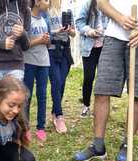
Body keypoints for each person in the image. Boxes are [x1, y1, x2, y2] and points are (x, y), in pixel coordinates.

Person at [73, 0, 138, 161]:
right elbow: (102, 3)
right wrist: (120, 18)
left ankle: (127, 145)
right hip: (114, 36)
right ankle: (98, 146)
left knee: (137, 94)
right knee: (102, 90)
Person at [46, 0, 76, 133]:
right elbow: (43, 32)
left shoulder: (68, 9)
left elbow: (74, 33)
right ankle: (59, 116)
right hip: (51, 50)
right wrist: (55, 31)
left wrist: (69, 31)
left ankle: (54, 111)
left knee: (62, 83)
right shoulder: (46, 8)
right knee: (56, 82)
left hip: (65, 50)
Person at [75, 0, 108, 118]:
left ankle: (102, 107)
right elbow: (79, 22)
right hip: (89, 47)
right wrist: (89, 31)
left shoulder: (110, 4)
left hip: (105, 47)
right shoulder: (88, 4)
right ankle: (86, 105)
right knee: (89, 77)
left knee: (103, 79)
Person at [24, 0, 51, 141]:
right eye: (46, 0)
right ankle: (25, 128)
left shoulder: (45, 19)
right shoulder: (26, 19)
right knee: (26, 96)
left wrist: (47, 40)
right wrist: (38, 40)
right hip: (28, 62)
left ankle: (41, 128)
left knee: (42, 95)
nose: (48, 3)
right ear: (37, 2)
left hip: (44, 63)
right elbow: (23, 44)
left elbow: (49, 42)